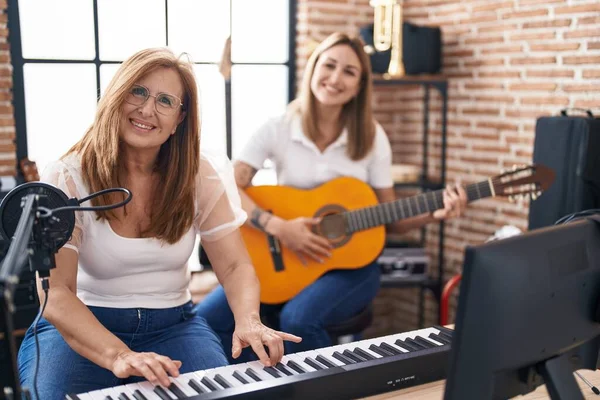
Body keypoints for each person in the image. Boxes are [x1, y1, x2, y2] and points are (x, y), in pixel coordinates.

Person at [17, 47, 300, 400]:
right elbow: (56, 293)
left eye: (165, 100)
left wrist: (248, 319)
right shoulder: (69, 176)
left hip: (174, 327)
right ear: (117, 96)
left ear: (180, 118)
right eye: (138, 91)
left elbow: (235, 264)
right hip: (81, 327)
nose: (147, 109)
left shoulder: (199, 175)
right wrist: (119, 354)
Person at [195, 32, 468, 364]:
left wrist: (434, 214)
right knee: (204, 321)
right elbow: (230, 186)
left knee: (298, 319)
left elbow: (390, 218)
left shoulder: (372, 137)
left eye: (349, 72)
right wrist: (277, 225)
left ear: (359, 86)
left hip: (351, 269)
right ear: (313, 69)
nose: (336, 78)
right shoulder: (278, 127)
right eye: (329, 65)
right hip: (281, 258)